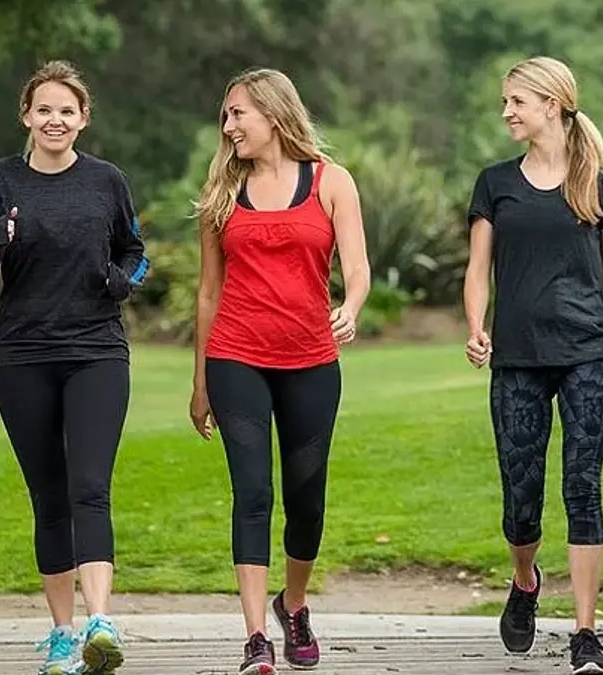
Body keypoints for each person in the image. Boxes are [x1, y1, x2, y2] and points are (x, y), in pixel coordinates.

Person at [0, 60, 148, 675]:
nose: (55, 120)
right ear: (27, 117)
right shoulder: (0, 180)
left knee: (90, 487)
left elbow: (136, 252)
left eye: (67, 110)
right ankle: (63, 636)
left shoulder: (107, 181)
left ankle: (100, 624)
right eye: (44, 110)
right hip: (22, 356)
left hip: (97, 352)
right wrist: (0, 234)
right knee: (49, 497)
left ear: (83, 119)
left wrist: (122, 281)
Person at [463, 55, 603, 675]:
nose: (507, 112)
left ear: (552, 104)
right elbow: (478, 269)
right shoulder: (495, 184)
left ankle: (585, 634)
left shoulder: (600, 188)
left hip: (586, 355)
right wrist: (476, 326)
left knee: (583, 487)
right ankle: (525, 580)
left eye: (516, 101)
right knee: (521, 499)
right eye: (505, 102)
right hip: (517, 359)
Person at [188, 67, 371, 675]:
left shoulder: (330, 181)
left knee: (306, 500)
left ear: (273, 113)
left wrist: (351, 307)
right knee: (253, 493)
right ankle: (255, 638)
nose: (228, 126)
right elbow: (208, 292)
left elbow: (358, 267)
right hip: (236, 357)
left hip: (311, 361)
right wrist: (200, 382)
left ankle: (292, 606)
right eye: (226, 115)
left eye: (238, 113)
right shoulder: (222, 190)